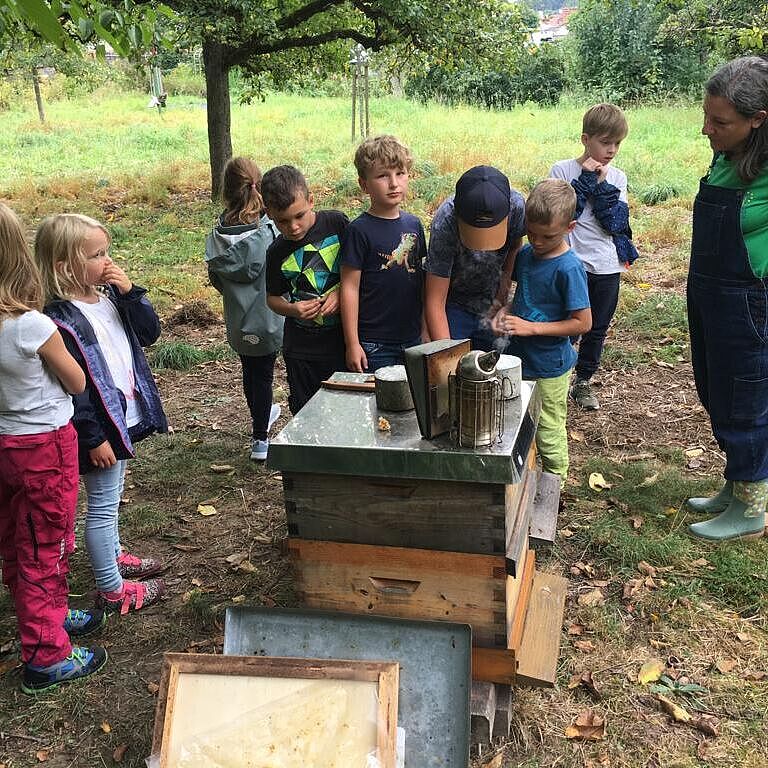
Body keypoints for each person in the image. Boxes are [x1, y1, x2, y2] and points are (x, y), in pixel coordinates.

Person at [0, 203, 108, 693]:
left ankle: (52, 614)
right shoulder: (30, 326)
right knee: (46, 546)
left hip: (5, 445)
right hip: (45, 447)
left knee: (17, 536)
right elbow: (76, 381)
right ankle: (46, 654)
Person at [35, 214, 167, 615]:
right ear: (64, 266)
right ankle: (111, 588)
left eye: (107, 251)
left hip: (118, 416)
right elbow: (75, 391)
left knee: (111, 496)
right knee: (103, 504)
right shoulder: (58, 320)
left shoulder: (107, 299)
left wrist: (129, 292)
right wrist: (93, 438)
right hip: (98, 428)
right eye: (97, 255)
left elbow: (149, 332)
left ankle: (111, 552)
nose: (107, 261)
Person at [685, 57, 768, 541]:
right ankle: (737, 486)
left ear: (758, 120)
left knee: (747, 401)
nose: (706, 129)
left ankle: (753, 509)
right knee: (716, 389)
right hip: (708, 290)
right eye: (707, 116)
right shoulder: (729, 155)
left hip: (747, 300)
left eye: (720, 122)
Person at [492, 180, 591, 487]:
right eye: (531, 233)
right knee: (516, 421)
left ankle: (555, 487)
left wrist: (532, 328)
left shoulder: (569, 268)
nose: (536, 241)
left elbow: (582, 323)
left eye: (547, 236)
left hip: (549, 367)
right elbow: (524, 299)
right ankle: (524, 477)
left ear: (570, 227)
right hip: (518, 360)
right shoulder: (524, 255)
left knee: (548, 429)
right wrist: (505, 311)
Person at [550, 103, 638, 411]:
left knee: (597, 326)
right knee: (566, 322)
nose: (612, 149)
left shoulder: (618, 177)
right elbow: (560, 216)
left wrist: (601, 184)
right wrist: (586, 179)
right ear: (586, 139)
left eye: (617, 143)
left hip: (606, 264)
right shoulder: (561, 170)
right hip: (570, 262)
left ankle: (583, 380)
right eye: (605, 142)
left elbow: (614, 222)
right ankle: (557, 375)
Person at [206, 156, 284, 461]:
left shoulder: (219, 234)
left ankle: (260, 419)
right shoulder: (270, 230)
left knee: (250, 372)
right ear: (259, 186)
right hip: (269, 318)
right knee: (264, 375)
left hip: (238, 320)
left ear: (227, 191)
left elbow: (217, 279)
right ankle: (260, 440)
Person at [263, 165, 349, 413]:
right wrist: (293, 309)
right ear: (268, 214)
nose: (293, 227)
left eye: (299, 215)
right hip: (302, 349)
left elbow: (360, 271)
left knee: (345, 406)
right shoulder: (276, 252)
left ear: (311, 200)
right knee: (308, 411)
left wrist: (340, 293)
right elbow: (272, 298)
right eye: (282, 221)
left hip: (342, 341)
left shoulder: (337, 223)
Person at [340, 135, 427, 372]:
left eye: (400, 173)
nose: (393, 183)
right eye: (382, 175)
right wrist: (353, 343)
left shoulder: (414, 225)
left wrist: (425, 330)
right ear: (364, 184)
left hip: (412, 339)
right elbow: (349, 288)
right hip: (373, 344)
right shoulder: (358, 231)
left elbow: (420, 281)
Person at [425, 165, 525, 350]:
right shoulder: (446, 220)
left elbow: (514, 248)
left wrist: (503, 292)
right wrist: (448, 355)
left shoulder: (517, 208)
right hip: (454, 304)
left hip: (491, 301)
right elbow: (435, 300)